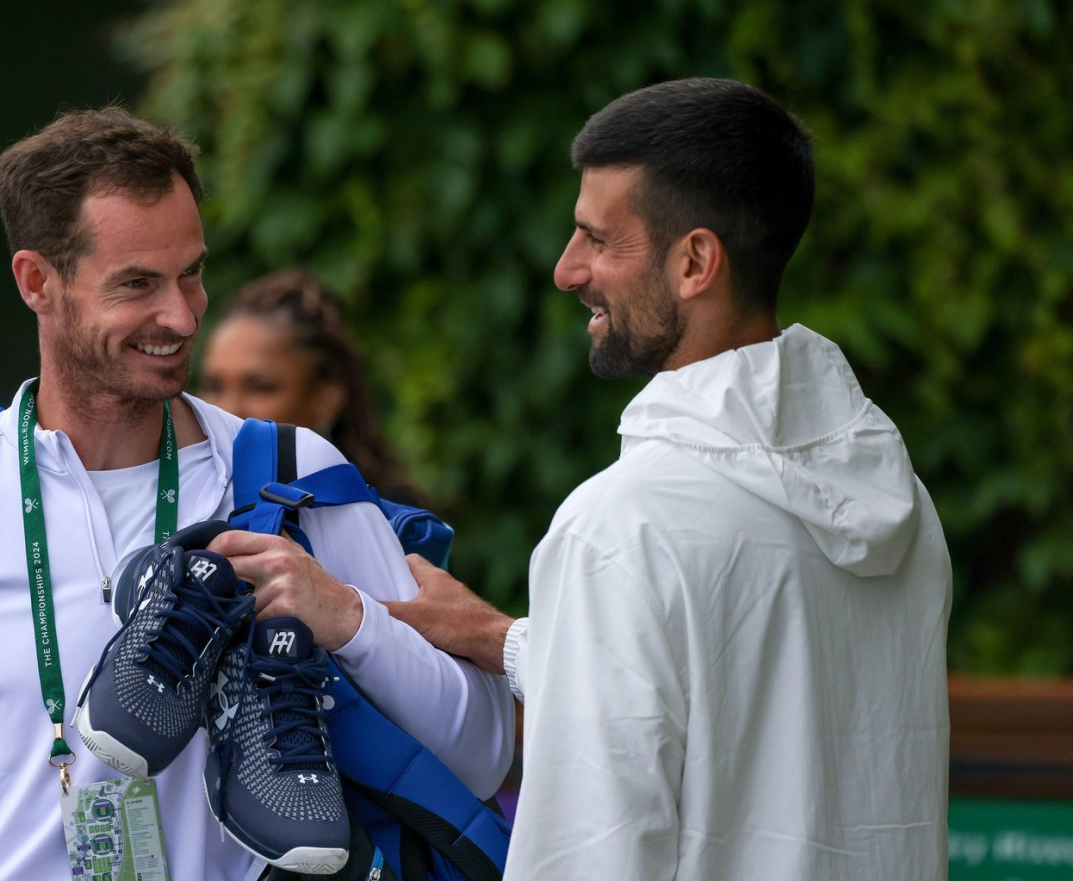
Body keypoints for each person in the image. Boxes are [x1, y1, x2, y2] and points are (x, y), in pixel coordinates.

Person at [0, 107, 512, 880]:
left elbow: (480, 756)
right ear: (36, 281)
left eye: (192, 275)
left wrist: (349, 616)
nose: (182, 316)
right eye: (137, 285)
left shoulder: (292, 476)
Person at [386, 78, 951, 879]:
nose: (565, 269)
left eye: (596, 239)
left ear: (694, 261)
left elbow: (587, 855)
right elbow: (760, 717)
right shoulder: (905, 508)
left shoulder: (620, 530)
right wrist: (508, 640)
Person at [198, 267, 416, 499]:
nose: (228, 409)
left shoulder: (392, 524)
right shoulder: (178, 504)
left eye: (259, 387)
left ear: (325, 400)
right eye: (214, 387)